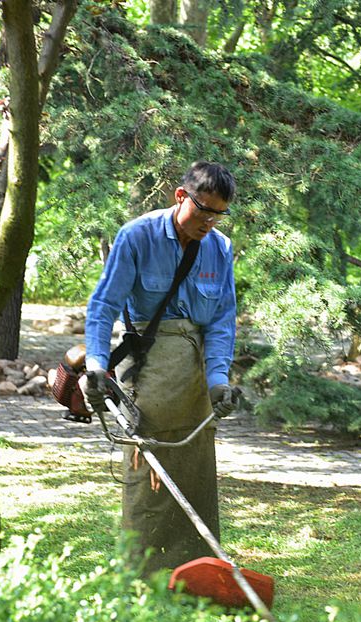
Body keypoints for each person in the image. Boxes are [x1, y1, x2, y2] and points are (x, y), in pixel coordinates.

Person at [83, 161, 239, 576]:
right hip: (147, 369)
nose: (209, 222)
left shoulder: (219, 249)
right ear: (180, 196)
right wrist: (97, 365)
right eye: (203, 210)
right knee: (148, 469)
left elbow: (222, 322)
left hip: (195, 373)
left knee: (194, 470)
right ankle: (142, 573)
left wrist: (219, 383)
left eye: (218, 214)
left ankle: (196, 569)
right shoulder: (137, 237)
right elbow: (103, 307)